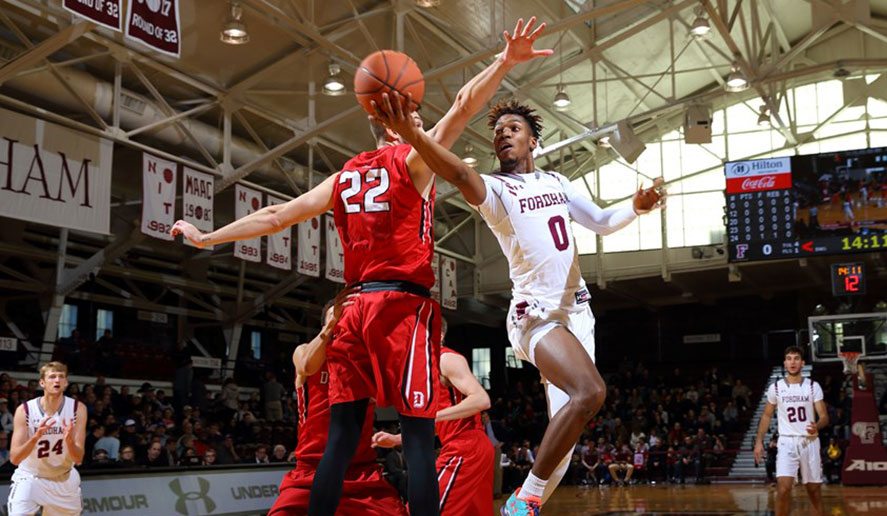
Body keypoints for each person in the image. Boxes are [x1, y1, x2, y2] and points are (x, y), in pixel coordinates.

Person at [170, 19, 551, 516]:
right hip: (400, 307)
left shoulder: (344, 176)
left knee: (342, 437)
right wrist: (504, 61)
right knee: (416, 435)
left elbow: (276, 215)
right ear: (400, 120)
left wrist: (210, 236)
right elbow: (464, 105)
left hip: (352, 308)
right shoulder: (414, 160)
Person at [367, 90, 664, 516]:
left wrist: (635, 208)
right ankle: (524, 498)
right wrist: (414, 134)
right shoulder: (495, 189)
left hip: (578, 314)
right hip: (535, 317)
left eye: (513, 128)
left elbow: (599, 221)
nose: (503, 135)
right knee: (590, 390)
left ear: (532, 142)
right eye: (498, 131)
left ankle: (523, 504)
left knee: (564, 446)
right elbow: (454, 171)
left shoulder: (557, 182)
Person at [268, 297, 407, 516]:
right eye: (338, 317)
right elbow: (306, 365)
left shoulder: (365, 360)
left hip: (361, 469)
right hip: (312, 468)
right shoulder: (304, 350)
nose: (344, 321)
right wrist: (330, 327)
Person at [373, 320, 495, 516]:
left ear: (438, 335)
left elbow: (481, 399)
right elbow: (440, 425)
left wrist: (430, 417)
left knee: (421, 508)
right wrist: (398, 439)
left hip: (466, 447)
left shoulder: (446, 359)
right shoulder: (423, 370)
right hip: (468, 448)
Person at [753, 346, 828, 516]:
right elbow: (766, 416)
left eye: (796, 358)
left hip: (809, 441)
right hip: (786, 441)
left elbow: (824, 417)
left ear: (802, 363)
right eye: (789, 358)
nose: (792, 362)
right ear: (785, 363)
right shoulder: (776, 388)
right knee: (783, 489)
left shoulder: (812, 386)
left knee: (814, 491)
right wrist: (759, 441)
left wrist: (818, 425)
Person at [7, 362, 87, 516]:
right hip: (30, 479)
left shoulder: (78, 409)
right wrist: (36, 437)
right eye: (52, 377)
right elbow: (15, 458)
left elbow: (78, 458)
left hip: (64, 480)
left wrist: (69, 439)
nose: (56, 380)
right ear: (42, 383)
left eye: (61, 377)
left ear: (66, 383)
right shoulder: (25, 410)